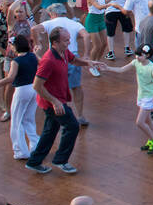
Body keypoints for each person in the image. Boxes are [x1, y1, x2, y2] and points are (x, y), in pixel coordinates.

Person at [26, 25, 99, 174]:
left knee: (50, 131)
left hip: (57, 100)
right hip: (52, 103)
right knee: (72, 126)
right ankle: (60, 160)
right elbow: (37, 86)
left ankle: (34, 161)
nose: (69, 42)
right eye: (65, 40)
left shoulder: (63, 52)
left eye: (69, 39)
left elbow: (74, 60)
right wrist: (55, 102)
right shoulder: (48, 60)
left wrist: (88, 63)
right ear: (55, 42)